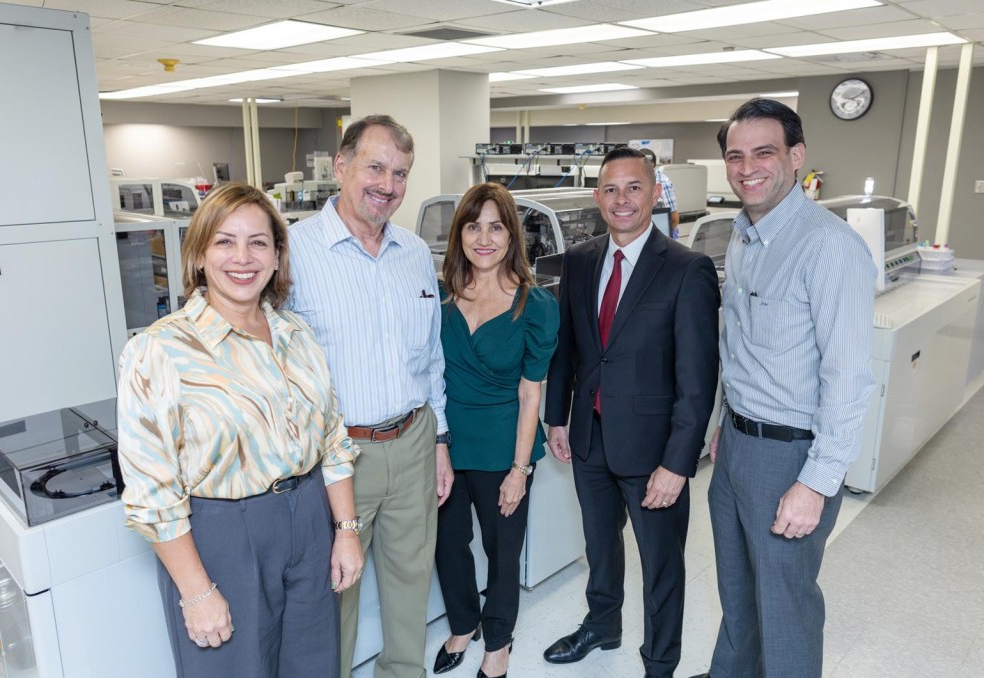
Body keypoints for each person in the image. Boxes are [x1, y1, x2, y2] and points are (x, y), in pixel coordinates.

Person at [117, 182, 363, 678]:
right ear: (200, 254)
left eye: (258, 242)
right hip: (223, 535)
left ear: (276, 256)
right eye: (225, 241)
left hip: (311, 520)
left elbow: (332, 439)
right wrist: (196, 591)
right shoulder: (159, 350)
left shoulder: (298, 335)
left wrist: (346, 531)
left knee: (315, 665)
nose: (242, 257)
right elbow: (151, 490)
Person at [691, 99, 876, 678]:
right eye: (735, 155)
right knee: (738, 591)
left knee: (786, 604)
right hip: (738, 445)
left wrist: (815, 484)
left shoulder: (829, 246)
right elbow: (739, 345)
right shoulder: (744, 236)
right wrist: (724, 421)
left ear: (796, 158)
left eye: (763, 152)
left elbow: (848, 379)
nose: (747, 167)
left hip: (791, 455)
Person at [543, 147, 721, 678]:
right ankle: (603, 624)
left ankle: (660, 662)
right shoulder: (578, 261)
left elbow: (698, 379)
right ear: (598, 197)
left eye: (634, 188)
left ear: (655, 193)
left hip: (653, 452)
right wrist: (557, 417)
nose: (623, 200)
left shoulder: (687, 269)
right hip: (589, 438)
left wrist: (677, 463)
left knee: (661, 564)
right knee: (599, 547)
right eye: (611, 189)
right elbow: (567, 350)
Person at [286, 114, 453, 678]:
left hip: (412, 440)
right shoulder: (293, 253)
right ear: (341, 165)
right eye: (375, 166)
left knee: (410, 582)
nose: (387, 184)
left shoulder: (412, 253)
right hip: (336, 459)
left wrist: (440, 442)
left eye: (400, 173)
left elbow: (430, 358)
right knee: (337, 590)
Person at [433, 183, 559, 678]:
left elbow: (532, 394)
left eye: (495, 227)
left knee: (502, 550)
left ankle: (498, 641)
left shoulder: (534, 307)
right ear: (459, 234)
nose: (483, 238)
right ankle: (464, 623)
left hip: (504, 444)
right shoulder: (440, 295)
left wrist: (519, 469)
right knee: (448, 543)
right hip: (445, 443)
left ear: (512, 236)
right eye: (472, 226)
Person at [639, 147, 680, 237]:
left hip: (660, 234)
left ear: (652, 164)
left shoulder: (662, 182)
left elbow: (673, 217)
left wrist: (666, 239)